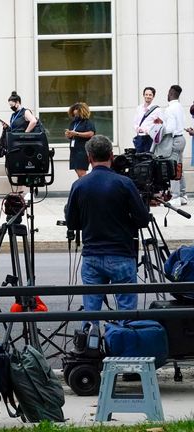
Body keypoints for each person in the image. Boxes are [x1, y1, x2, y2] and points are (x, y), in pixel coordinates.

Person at [65, 135, 149, 324]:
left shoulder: (79, 185)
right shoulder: (124, 183)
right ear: (111, 155)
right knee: (126, 312)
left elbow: (72, 223)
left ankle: (90, 346)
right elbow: (143, 220)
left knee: (91, 313)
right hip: (121, 254)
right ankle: (124, 347)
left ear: (89, 158)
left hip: (92, 255)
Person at [154, 85, 187, 206]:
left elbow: (171, 128)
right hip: (181, 139)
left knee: (173, 169)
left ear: (170, 93)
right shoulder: (179, 107)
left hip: (175, 140)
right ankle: (183, 195)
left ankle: (175, 196)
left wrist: (160, 128)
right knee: (179, 167)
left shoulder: (170, 109)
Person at [65, 102, 96, 178]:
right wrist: (69, 135)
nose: (75, 115)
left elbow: (91, 133)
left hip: (82, 150)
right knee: (78, 172)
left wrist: (76, 133)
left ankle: (85, 188)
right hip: (74, 151)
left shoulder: (87, 122)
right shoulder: (74, 123)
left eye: (77, 111)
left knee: (81, 172)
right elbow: (72, 134)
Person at [133, 87, 161, 152]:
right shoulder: (139, 108)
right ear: (143, 95)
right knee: (138, 158)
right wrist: (137, 128)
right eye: (146, 94)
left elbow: (159, 125)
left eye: (150, 95)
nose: (148, 96)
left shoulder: (157, 110)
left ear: (153, 96)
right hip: (139, 137)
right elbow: (135, 122)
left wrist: (148, 130)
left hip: (149, 138)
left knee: (149, 158)